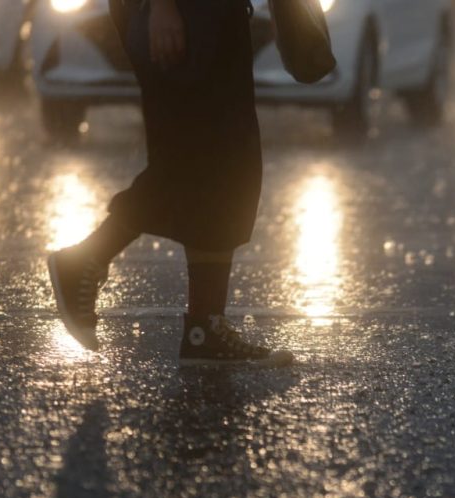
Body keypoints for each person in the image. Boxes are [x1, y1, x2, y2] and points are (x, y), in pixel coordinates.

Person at [47, 0, 292, 367]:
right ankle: (84, 260)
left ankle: (205, 328)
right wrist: (163, 7)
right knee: (189, 160)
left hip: (215, 13)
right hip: (184, 13)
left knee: (227, 168)